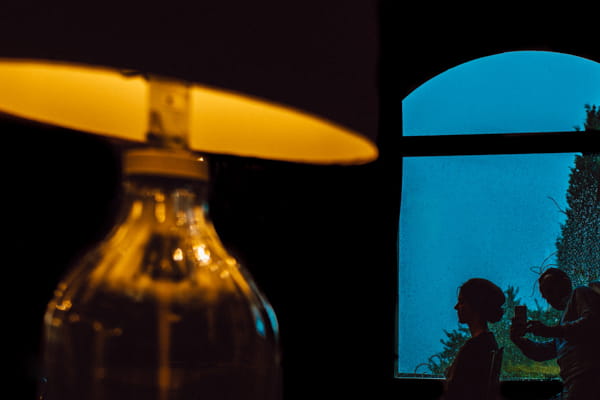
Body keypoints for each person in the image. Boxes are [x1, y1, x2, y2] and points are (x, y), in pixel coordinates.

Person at [510, 268, 600, 400]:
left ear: (565, 283)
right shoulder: (565, 321)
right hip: (573, 385)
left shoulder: (580, 292)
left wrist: (549, 330)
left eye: (550, 291)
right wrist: (519, 341)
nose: (548, 298)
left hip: (586, 380)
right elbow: (544, 351)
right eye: (545, 295)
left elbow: (591, 323)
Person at [443, 278, 506, 400]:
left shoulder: (474, 348)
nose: (456, 307)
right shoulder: (488, 342)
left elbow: (454, 393)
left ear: (475, 304)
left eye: (461, 301)